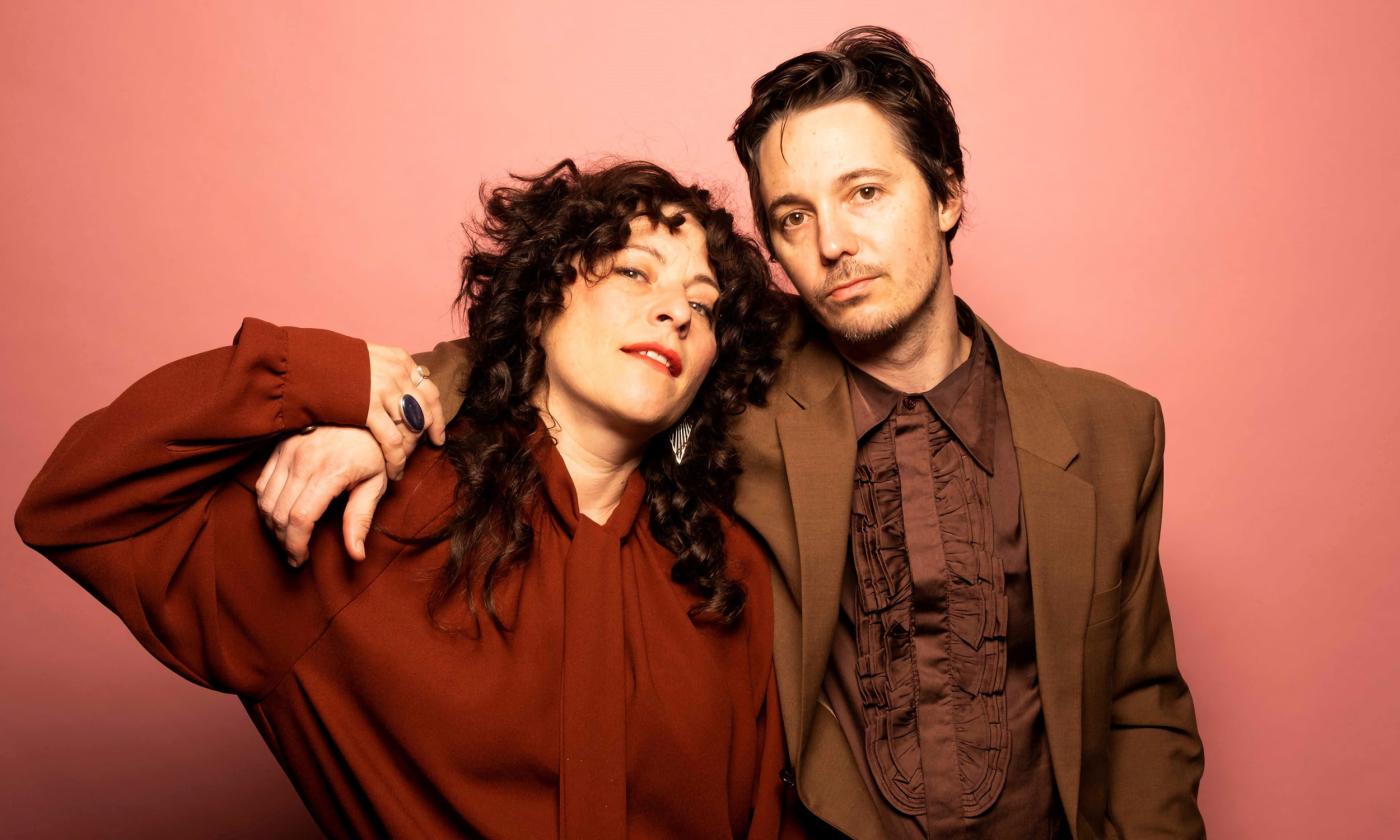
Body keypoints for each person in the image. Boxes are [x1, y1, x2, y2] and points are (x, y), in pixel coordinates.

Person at [258, 27, 1207, 840]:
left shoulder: (1110, 428)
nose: (831, 242)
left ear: (948, 194)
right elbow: (544, 344)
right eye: (794, 216)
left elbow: (1141, 707)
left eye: (865, 193)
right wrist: (396, 412)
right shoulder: (724, 380)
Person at [15, 159, 801, 838]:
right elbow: (76, 503)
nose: (676, 311)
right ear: (541, 295)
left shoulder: (724, 575)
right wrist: (333, 378)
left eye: (703, 305)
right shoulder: (379, 515)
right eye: (635, 271)